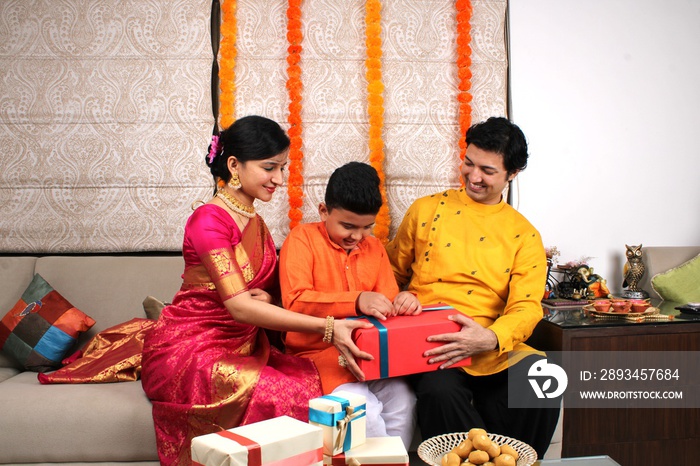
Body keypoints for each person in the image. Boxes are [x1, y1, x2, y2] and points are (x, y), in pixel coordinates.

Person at [140, 116, 373, 465]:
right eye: (270, 168)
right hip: (197, 343)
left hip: (245, 341)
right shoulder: (209, 220)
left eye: (282, 168)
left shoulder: (253, 219)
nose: (279, 179)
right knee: (281, 391)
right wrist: (328, 327)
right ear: (234, 164)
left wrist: (270, 298)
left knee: (308, 385)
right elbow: (238, 307)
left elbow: (256, 294)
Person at [386, 117, 560, 457]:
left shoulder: (524, 235)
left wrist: (490, 337)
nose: (473, 176)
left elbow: (527, 306)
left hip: (492, 347)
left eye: (488, 170)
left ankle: (512, 462)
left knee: (545, 380)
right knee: (440, 393)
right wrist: (398, 297)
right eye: (469, 163)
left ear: (513, 174)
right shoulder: (426, 209)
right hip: (436, 345)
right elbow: (388, 273)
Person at [279, 161, 422, 449]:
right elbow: (295, 302)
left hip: (372, 359)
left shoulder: (375, 249)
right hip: (318, 358)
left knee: (405, 400)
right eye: (347, 226)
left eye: (367, 227)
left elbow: (388, 308)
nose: (357, 236)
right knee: (362, 410)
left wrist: (405, 302)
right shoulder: (302, 239)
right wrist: (356, 300)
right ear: (323, 211)